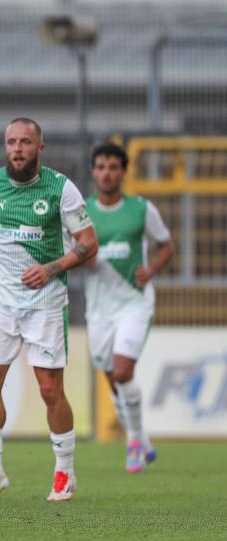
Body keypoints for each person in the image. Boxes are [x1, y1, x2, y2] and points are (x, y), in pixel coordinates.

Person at [0, 117, 98, 502]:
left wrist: (50, 269)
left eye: (25, 142)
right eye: (10, 142)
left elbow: (88, 244)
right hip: (0, 300)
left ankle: (65, 474)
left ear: (40, 148)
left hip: (45, 303)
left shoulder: (61, 189)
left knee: (50, 390)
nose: (17, 149)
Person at [84, 142, 173, 473]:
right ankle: (143, 441)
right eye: (101, 167)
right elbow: (71, 253)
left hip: (135, 302)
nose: (107, 173)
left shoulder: (141, 209)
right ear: (93, 172)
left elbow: (166, 246)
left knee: (123, 372)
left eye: (113, 167)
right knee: (112, 380)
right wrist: (82, 261)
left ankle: (134, 442)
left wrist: (151, 270)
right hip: (99, 308)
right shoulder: (83, 212)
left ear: (123, 172)